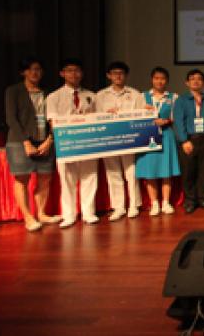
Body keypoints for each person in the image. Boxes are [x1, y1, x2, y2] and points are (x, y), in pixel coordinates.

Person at [4, 57, 60, 232]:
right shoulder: (13, 91)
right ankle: (28, 217)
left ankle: (41, 213)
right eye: (30, 69)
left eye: (38, 69)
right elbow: (11, 119)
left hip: (45, 140)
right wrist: (26, 142)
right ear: (23, 72)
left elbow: (54, 118)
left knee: (45, 177)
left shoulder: (47, 93)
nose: (35, 72)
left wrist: (49, 140)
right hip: (19, 141)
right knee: (22, 178)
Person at [46, 58, 99, 228]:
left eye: (77, 70)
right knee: (67, 179)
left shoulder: (91, 95)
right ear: (62, 74)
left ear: (82, 74)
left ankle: (88, 212)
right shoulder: (54, 97)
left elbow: (99, 119)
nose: (73, 74)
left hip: (89, 142)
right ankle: (69, 215)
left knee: (89, 177)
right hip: (67, 144)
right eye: (69, 70)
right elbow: (53, 122)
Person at [95, 61, 146, 221]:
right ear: (108, 75)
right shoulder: (100, 95)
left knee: (131, 173)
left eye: (121, 73)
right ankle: (118, 207)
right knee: (113, 173)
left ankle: (134, 205)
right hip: (109, 139)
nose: (118, 76)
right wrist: (106, 115)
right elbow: (95, 118)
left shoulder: (135, 94)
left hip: (130, 139)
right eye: (114, 73)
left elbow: (142, 114)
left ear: (126, 76)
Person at [135, 67, 180, 216]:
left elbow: (177, 118)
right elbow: (134, 118)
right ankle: (154, 203)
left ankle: (166, 202)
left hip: (166, 135)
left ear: (166, 81)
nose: (159, 81)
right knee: (150, 172)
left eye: (162, 78)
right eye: (156, 78)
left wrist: (165, 121)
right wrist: (145, 114)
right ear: (152, 79)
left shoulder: (173, 97)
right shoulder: (142, 97)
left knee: (166, 171)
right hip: (147, 137)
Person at [173, 69, 204, 214]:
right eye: (192, 79)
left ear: (203, 82)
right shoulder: (181, 100)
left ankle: (203, 198)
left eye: (199, 79)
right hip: (189, 139)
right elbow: (178, 121)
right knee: (188, 171)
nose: (196, 81)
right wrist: (184, 140)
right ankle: (190, 200)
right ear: (187, 82)